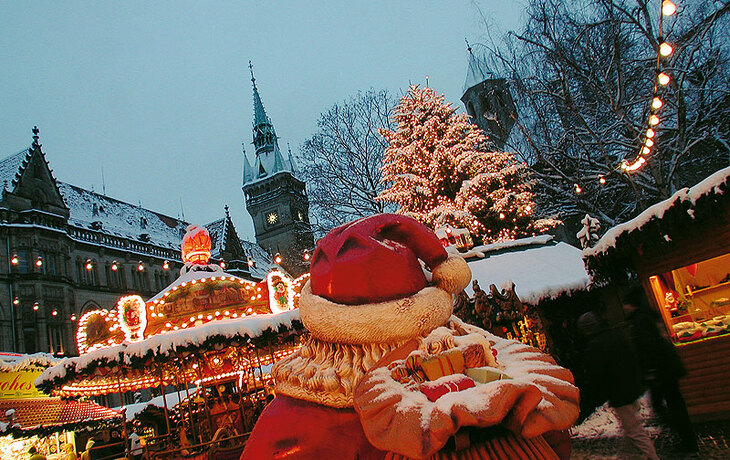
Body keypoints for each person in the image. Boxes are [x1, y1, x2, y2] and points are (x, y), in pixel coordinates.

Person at [241, 213, 580, 459]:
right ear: (428, 297)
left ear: (321, 317)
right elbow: (556, 439)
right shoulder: (498, 363)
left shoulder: (290, 421)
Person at [623, 287, 698, 453]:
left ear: (632, 305)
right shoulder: (646, 317)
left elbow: (649, 348)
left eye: (626, 304)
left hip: (661, 371)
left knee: (667, 405)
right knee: (673, 404)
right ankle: (686, 436)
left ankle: (686, 438)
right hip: (665, 370)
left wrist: (651, 372)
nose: (625, 308)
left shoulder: (640, 320)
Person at [577, 311, 660, 460]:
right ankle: (625, 456)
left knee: (634, 430)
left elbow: (596, 375)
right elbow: (631, 357)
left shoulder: (595, 346)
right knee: (629, 427)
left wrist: (593, 396)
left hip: (619, 393)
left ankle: (652, 457)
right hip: (631, 387)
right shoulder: (615, 336)